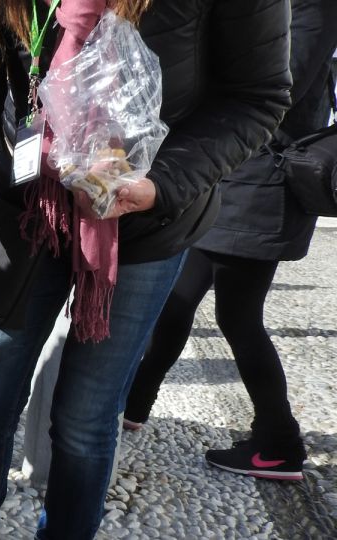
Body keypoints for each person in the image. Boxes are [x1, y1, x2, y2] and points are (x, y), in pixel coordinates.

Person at [0, 0, 292, 538]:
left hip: (148, 219)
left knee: (85, 419)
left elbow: (257, 96)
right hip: (24, 206)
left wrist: (162, 184)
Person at [123, 0, 337, 482]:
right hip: (232, 180)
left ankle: (280, 443)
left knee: (237, 316)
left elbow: (273, 89)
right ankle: (132, 405)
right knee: (178, 300)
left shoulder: (314, 9)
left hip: (264, 187)